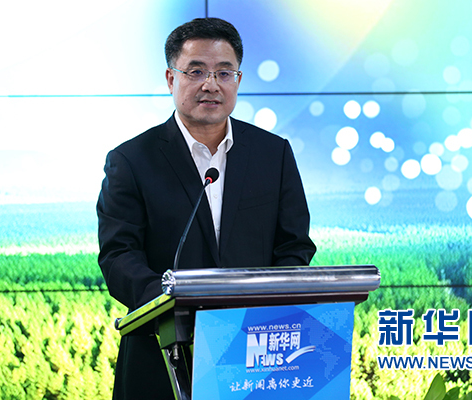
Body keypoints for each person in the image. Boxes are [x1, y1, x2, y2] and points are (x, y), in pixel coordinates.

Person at [97, 17, 316, 400]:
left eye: (224, 72)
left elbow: (294, 245)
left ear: (238, 80)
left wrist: (265, 307)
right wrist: (170, 302)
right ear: (171, 78)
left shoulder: (273, 153)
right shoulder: (131, 160)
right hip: (162, 351)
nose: (211, 84)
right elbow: (118, 255)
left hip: (255, 349)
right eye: (196, 71)